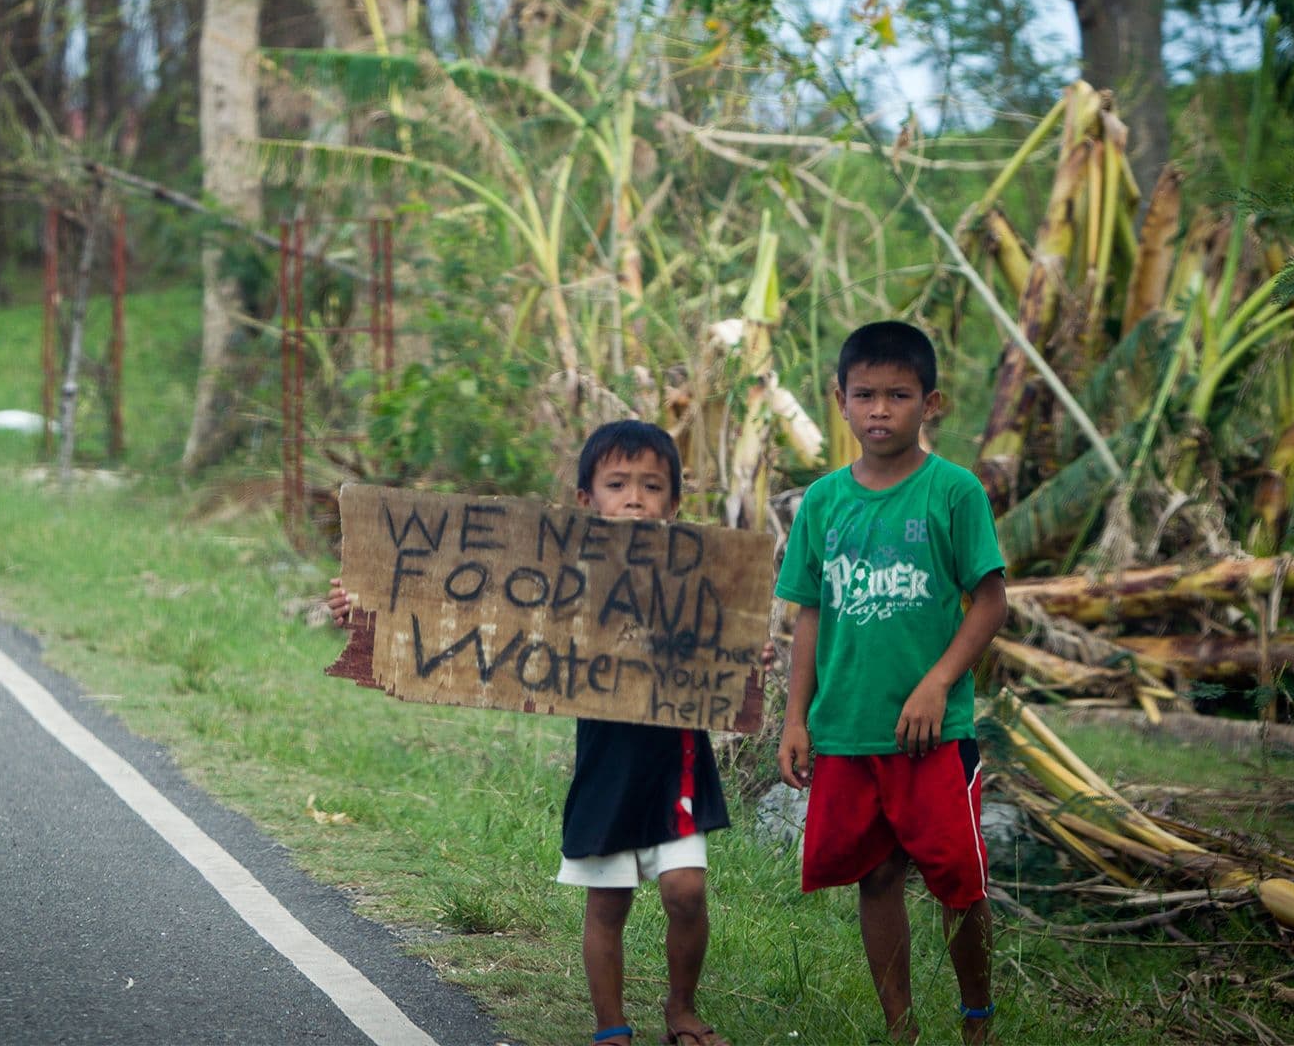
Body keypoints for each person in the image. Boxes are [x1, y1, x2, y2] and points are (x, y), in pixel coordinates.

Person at [329, 421, 731, 1046]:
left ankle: (681, 1011)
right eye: (617, 484)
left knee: (686, 892)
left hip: (676, 763)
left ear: (674, 503)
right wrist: (371, 599)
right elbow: (466, 602)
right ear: (584, 501)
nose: (634, 498)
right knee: (609, 902)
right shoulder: (558, 576)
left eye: (651, 487)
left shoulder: (697, 576)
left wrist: (744, 664)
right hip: (605, 769)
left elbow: (731, 640)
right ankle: (611, 1028)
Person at [774, 321, 1007, 1046]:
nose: (880, 410)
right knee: (875, 878)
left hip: (935, 734)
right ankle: (899, 1027)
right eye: (865, 395)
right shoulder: (822, 503)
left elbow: (991, 601)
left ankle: (976, 1017)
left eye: (898, 395)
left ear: (929, 403)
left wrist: (939, 682)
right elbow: (809, 613)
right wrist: (796, 718)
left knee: (959, 884)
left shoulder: (954, 492)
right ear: (838, 400)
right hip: (847, 727)